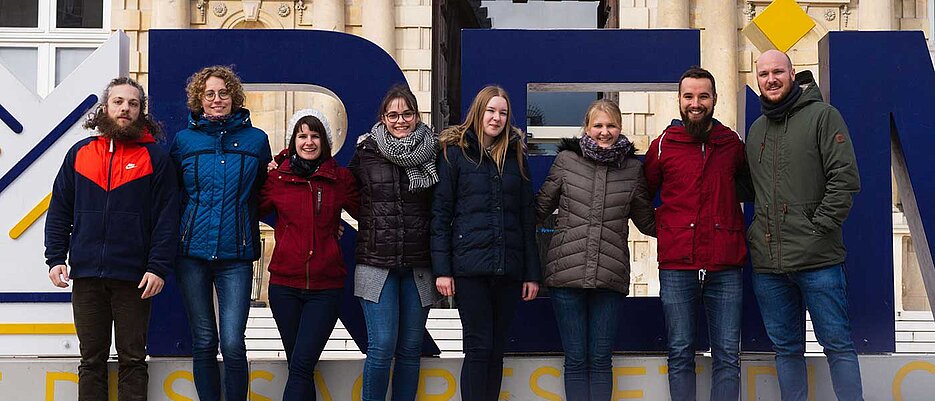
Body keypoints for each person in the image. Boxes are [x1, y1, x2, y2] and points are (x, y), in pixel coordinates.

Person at [45, 77, 178, 401]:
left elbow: (167, 218)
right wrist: (55, 258)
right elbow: (60, 209)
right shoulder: (80, 154)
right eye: (119, 102)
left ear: (141, 112)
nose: (125, 109)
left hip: (134, 277)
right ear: (105, 108)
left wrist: (158, 267)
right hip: (87, 275)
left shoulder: (156, 158)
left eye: (133, 104)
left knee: (133, 359)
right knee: (91, 361)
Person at [746, 50, 863, 401]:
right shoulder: (756, 129)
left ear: (792, 73)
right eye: (763, 73)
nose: (771, 79)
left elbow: (845, 179)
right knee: (786, 350)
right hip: (769, 266)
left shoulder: (824, 117)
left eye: (777, 71)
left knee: (838, 346)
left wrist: (818, 228)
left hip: (818, 260)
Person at [535, 99, 655, 401]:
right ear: (586, 128)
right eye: (598, 125)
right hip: (566, 277)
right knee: (576, 360)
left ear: (620, 128)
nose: (605, 132)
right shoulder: (565, 161)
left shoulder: (632, 170)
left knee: (601, 361)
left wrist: (689, 215)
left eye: (611, 125)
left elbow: (647, 221)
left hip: (609, 278)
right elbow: (538, 209)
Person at [431, 85, 541, 401]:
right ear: (479, 112)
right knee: (478, 347)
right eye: (491, 111)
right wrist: (443, 269)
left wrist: (532, 273)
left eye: (503, 113)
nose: (496, 118)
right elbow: (440, 214)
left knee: (496, 351)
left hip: (508, 270)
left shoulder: (516, 156)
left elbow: (525, 217)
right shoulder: (456, 154)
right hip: (469, 271)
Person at [645, 67, 747, 401]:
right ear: (679, 100)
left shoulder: (731, 143)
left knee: (728, 355)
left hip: (725, 265)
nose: (696, 103)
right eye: (689, 96)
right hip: (678, 265)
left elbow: (749, 189)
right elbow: (640, 196)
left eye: (703, 96)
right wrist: (663, 229)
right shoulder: (663, 145)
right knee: (680, 352)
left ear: (714, 99)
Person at [170, 66, 272, 401]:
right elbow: (174, 195)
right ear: (199, 99)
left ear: (234, 97)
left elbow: (263, 191)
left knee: (232, 342)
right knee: (203, 341)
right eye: (209, 94)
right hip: (192, 255)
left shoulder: (256, 140)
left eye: (223, 93)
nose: (217, 100)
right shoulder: (184, 141)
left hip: (236, 255)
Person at [259, 110, 359, 401]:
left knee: (301, 366)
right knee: (299, 366)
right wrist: (264, 168)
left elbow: (368, 210)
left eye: (315, 135)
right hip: (284, 287)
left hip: (325, 288)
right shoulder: (278, 178)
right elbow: (251, 206)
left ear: (324, 141)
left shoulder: (339, 178)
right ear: (293, 141)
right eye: (302, 135)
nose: (309, 141)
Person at [349, 85, 440, 401]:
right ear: (383, 118)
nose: (400, 120)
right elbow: (345, 193)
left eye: (407, 114)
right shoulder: (366, 153)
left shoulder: (434, 150)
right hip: (376, 264)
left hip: (419, 265)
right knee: (382, 346)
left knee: (411, 348)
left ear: (416, 115)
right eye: (393, 115)